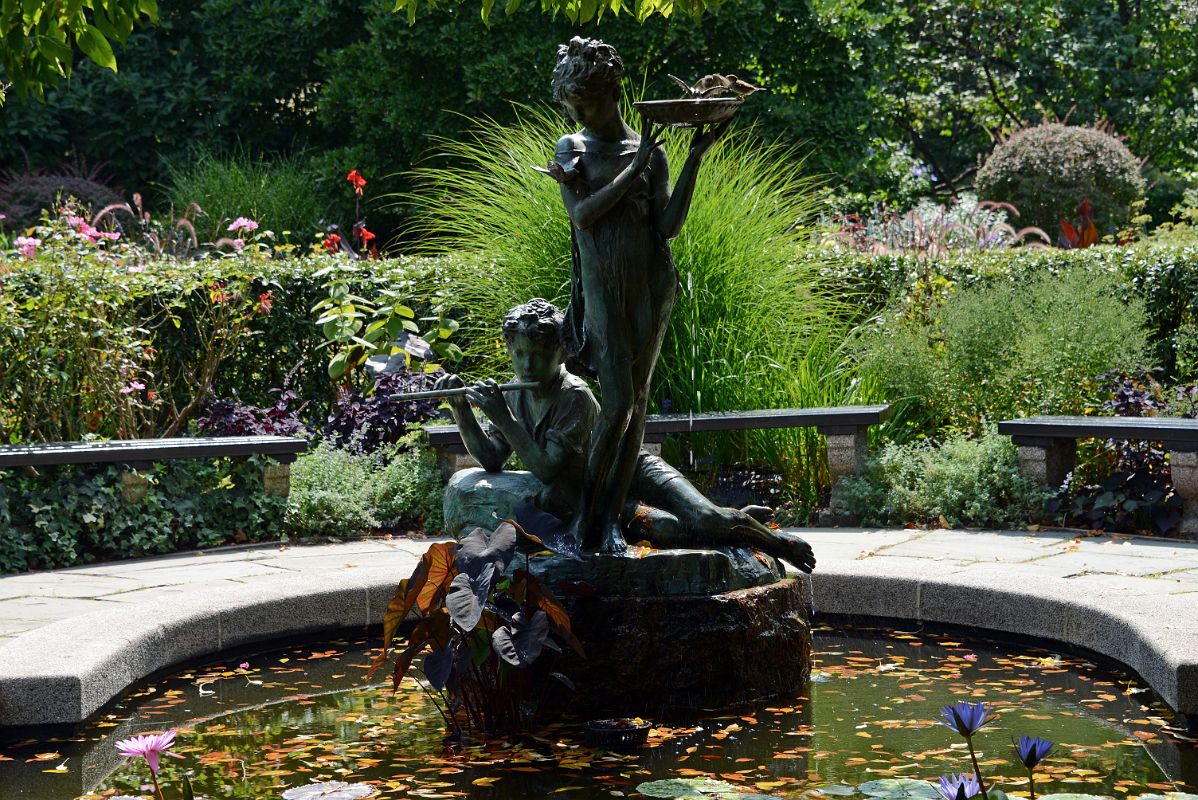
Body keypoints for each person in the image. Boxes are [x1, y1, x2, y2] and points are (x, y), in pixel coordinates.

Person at [433, 300, 816, 573]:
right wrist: (461, 410)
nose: (526, 365)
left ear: (561, 352)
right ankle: (733, 525)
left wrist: (502, 416)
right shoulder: (516, 393)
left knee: (703, 515)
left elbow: (548, 468)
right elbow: (492, 458)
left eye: (536, 354)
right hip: (599, 499)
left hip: (631, 472)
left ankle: (776, 542)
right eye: (518, 354)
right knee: (667, 529)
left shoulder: (574, 396)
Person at [547, 37, 731, 553]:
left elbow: (668, 226)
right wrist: (636, 165)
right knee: (619, 400)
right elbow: (582, 215)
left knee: (639, 406)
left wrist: (693, 156)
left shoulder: (652, 151)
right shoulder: (573, 149)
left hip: (651, 284)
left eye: (589, 101)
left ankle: (611, 520)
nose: (581, 113)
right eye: (573, 104)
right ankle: (591, 521)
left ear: (614, 92)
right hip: (602, 288)